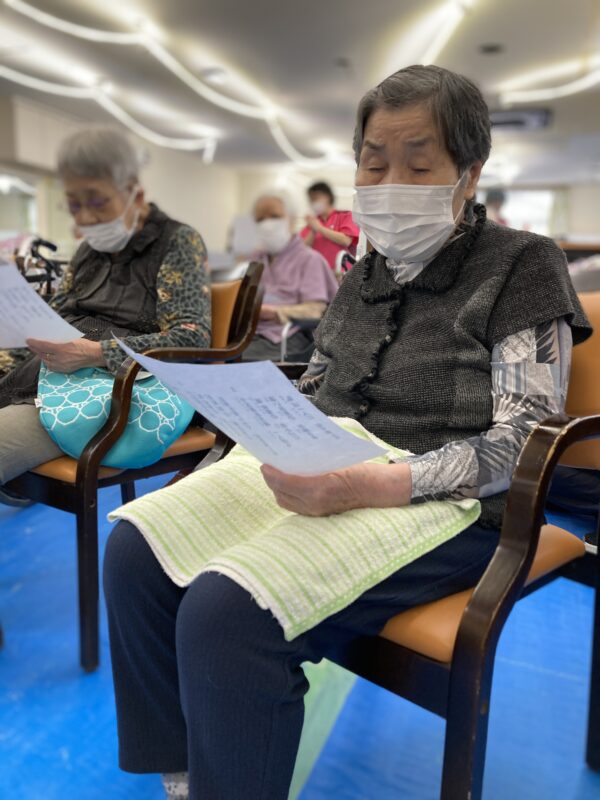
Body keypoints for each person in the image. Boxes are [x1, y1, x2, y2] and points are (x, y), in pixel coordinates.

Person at [103, 65, 591, 800]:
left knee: (227, 612)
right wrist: (248, 427)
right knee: (135, 549)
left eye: (418, 166)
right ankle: (189, 771)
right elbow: (322, 376)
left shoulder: (524, 264)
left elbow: (521, 440)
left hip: (453, 502)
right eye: (373, 162)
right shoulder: (367, 269)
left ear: (469, 173)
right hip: (331, 460)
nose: (390, 183)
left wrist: (376, 484)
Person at [0, 127, 211, 505]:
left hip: (112, 393)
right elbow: (52, 320)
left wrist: (96, 353)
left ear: (135, 194)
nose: (86, 218)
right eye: (74, 205)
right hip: (51, 377)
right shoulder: (88, 252)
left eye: (98, 203)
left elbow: (192, 338)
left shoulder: (177, 242)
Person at [243, 191, 338, 361]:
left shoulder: (309, 260)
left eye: (274, 216)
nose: (267, 224)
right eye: (260, 219)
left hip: (289, 336)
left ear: (292, 219)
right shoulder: (256, 259)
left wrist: (273, 313)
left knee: (232, 359)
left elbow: (316, 310)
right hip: (251, 333)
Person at [300, 180, 359, 269]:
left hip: (343, 273)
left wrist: (319, 228)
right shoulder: (311, 225)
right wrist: (313, 230)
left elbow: (346, 240)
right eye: (311, 200)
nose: (313, 202)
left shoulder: (345, 216)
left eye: (316, 198)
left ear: (328, 197)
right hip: (318, 273)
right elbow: (302, 249)